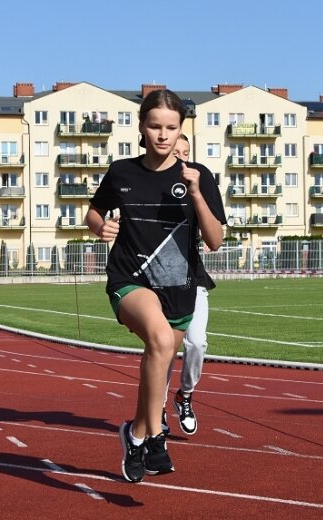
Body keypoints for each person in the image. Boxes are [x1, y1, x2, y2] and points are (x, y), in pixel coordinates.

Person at [86, 89, 225, 483]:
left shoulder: (199, 176)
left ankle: (136, 434)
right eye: (155, 126)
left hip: (179, 287)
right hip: (130, 279)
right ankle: (156, 435)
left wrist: (196, 193)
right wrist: (101, 226)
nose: (163, 135)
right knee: (162, 341)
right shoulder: (122, 172)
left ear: (181, 129)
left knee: (158, 359)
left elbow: (214, 241)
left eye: (171, 128)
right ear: (142, 127)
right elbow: (94, 213)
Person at [161, 134, 224, 437]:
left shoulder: (201, 178)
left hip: (192, 275)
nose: (183, 159)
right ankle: (156, 407)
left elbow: (216, 232)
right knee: (161, 348)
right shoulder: (150, 180)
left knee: (197, 341)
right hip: (155, 278)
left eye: (187, 152)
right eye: (177, 153)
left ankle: (184, 395)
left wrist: (196, 193)